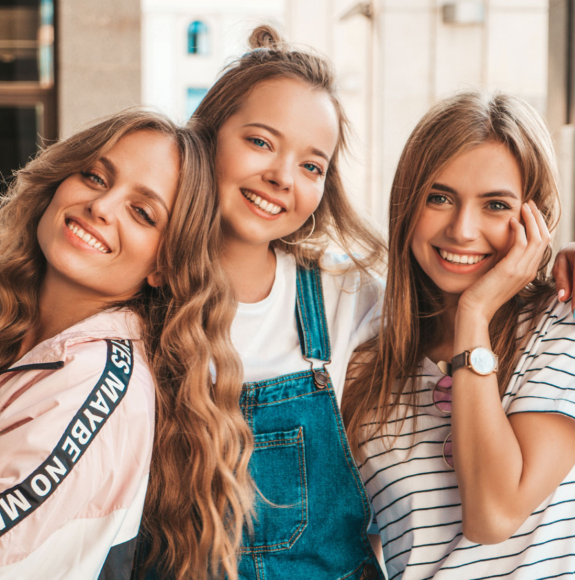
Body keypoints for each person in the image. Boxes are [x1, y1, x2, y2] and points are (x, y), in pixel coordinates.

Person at [137, 24, 388, 580]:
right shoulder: (141, 292)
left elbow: (473, 313)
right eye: (260, 142)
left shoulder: (347, 298)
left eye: (311, 165)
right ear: (206, 136)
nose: (280, 177)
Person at [342, 91, 575, 580]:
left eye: (495, 205)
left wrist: (474, 314)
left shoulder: (561, 326)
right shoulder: (366, 369)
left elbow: (494, 515)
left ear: (535, 217)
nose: (463, 229)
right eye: (439, 197)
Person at [0, 110, 231, 580]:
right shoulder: (20, 327)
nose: (102, 206)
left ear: (163, 266)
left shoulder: (94, 381)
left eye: (142, 213)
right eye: (95, 176)